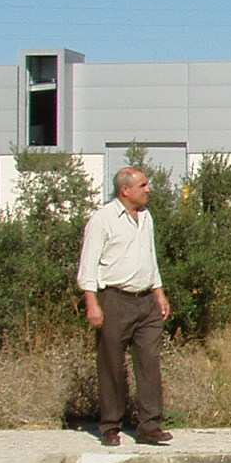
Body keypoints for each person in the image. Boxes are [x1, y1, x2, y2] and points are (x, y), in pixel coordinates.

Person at [77, 165, 173, 446]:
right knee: (111, 364)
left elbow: (150, 258)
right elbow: (88, 265)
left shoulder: (146, 217)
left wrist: (159, 293)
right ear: (125, 190)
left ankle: (150, 426)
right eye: (143, 185)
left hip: (146, 300)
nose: (148, 189)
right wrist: (92, 303)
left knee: (149, 362)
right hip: (115, 300)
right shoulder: (102, 220)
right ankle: (110, 425)